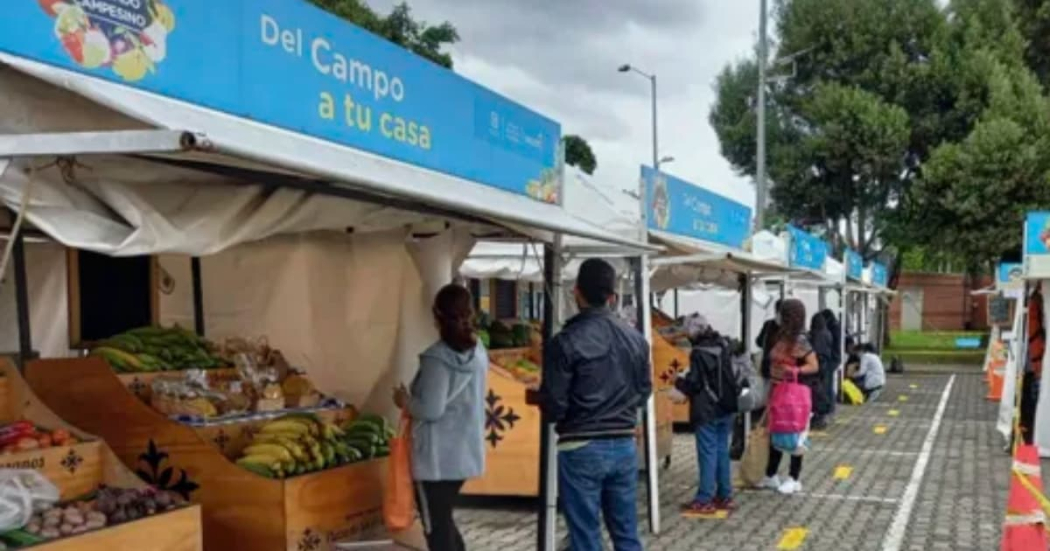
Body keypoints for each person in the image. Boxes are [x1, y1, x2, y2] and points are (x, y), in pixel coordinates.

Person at [534, 258, 651, 551]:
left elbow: (555, 405)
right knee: (626, 533)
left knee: (585, 536)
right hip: (624, 443)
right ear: (612, 297)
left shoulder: (564, 341)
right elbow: (644, 389)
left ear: (576, 292)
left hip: (580, 445)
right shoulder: (636, 339)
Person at [393, 283, 487, 551]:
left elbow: (431, 410)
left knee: (436, 528)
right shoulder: (477, 351)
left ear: (436, 316)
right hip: (464, 451)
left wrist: (404, 400)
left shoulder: (437, 359)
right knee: (443, 521)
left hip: (435, 459)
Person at [674, 317, 736, 516]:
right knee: (721, 452)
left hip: (707, 409)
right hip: (726, 406)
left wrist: (678, 382)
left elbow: (695, 383)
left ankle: (704, 499)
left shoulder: (699, 353)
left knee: (707, 454)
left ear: (694, 334)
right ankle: (725, 495)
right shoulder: (723, 345)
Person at [760, 299, 819, 495]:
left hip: (794, 395)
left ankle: (794, 478)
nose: (777, 316)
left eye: (782, 313)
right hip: (777, 391)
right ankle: (771, 474)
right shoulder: (780, 336)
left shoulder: (800, 340)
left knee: (795, 434)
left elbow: (814, 365)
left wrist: (794, 369)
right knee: (777, 431)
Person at [808, 313, 834, 430]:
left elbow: (815, 351)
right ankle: (821, 418)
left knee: (816, 394)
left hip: (817, 367)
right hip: (825, 366)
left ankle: (818, 418)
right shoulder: (827, 333)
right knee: (822, 392)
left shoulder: (817, 335)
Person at [756, 300, 783, 380]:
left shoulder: (768, 325)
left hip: (768, 367)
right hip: (782, 369)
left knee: (768, 390)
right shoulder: (789, 326)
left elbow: (759, 342)